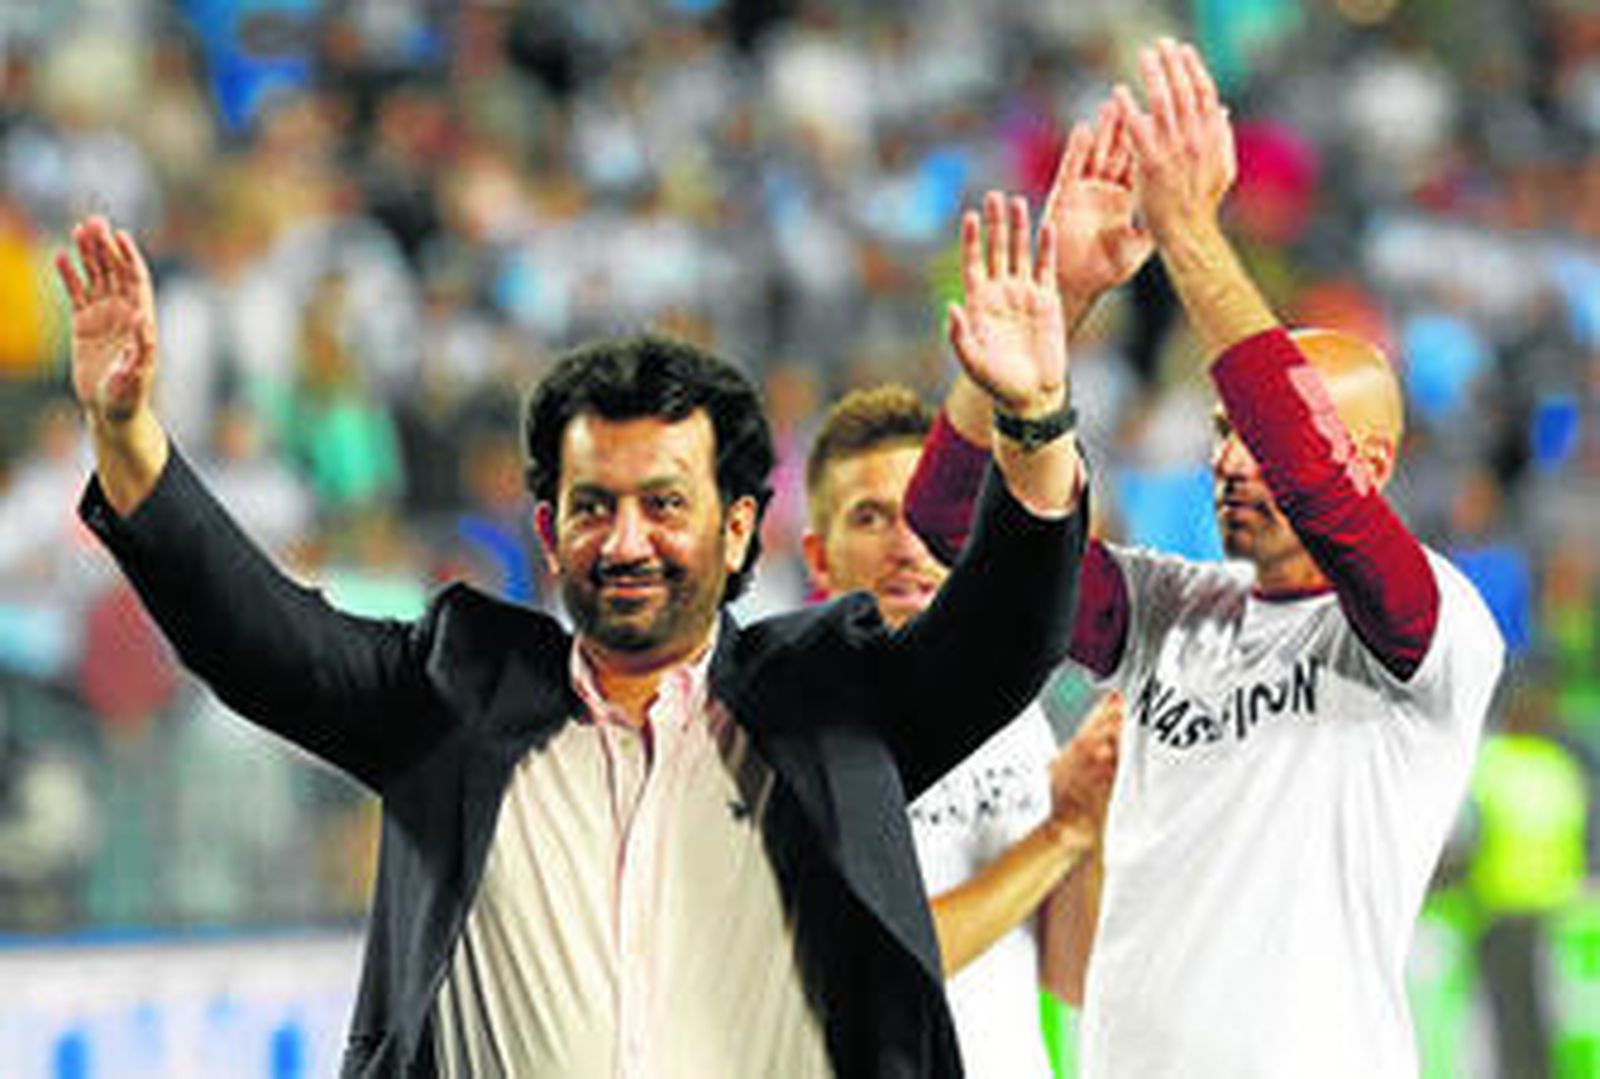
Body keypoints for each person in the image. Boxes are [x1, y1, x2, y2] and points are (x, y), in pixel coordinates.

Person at [58, 198, 1089, 1078]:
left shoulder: (830, 699)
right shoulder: (453, 692)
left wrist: (1035, 418)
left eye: (664, 503)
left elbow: (1006, 634)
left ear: (738, 529)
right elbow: (257, 639)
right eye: (593, 506)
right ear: (548, 533)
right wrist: (126, 434)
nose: (626, 541)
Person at [905, 40, 1506, 1077]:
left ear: (1371, 461)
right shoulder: (1170, 610)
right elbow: (951, 525)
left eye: (1255, 436)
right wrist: (1061, 298)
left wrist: (1190, 233)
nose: (1230, 458)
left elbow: (1314, 481)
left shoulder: (1432, 630)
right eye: (1223, 431)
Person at [801, 381, 1121, 1078]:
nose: (907, 545)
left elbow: (1069, 977)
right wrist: (1059, 836)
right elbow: (876, 968)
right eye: (871, 517)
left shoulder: (1015, 713)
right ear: (818, 558)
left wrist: (1090, 820)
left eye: (923, 514)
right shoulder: (792, 725)